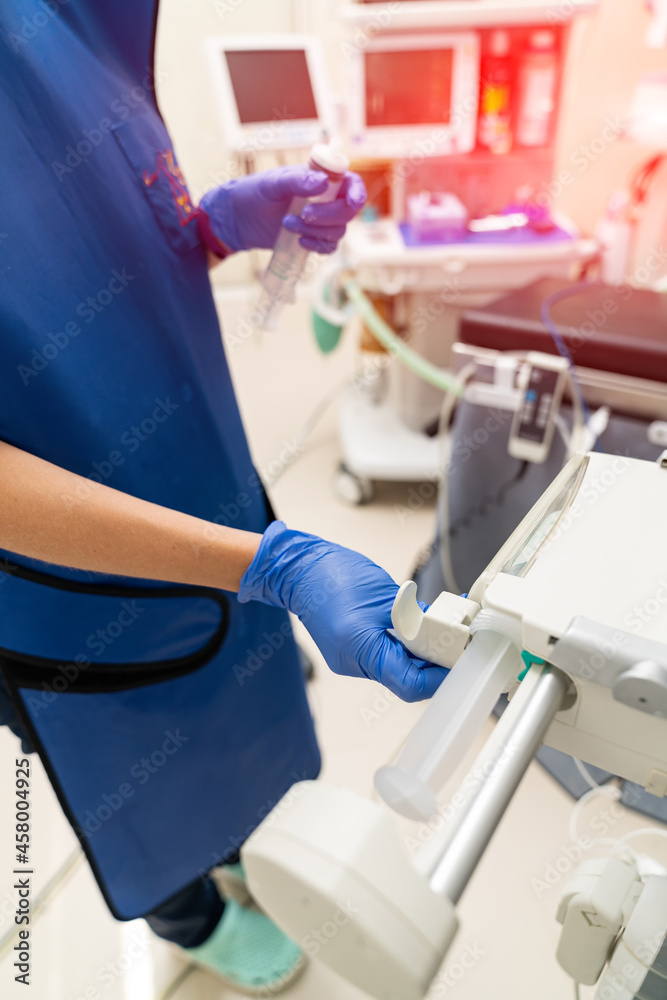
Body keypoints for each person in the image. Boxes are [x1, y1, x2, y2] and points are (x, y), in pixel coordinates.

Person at [0, 2, 446, 993]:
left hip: (205, 486)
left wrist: (210, 227)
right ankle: (185, 909)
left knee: (235, 715)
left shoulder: (66, 24)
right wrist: (271, 566)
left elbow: (82, 250)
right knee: (138, 775)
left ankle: (236, 840)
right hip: (60, 589)